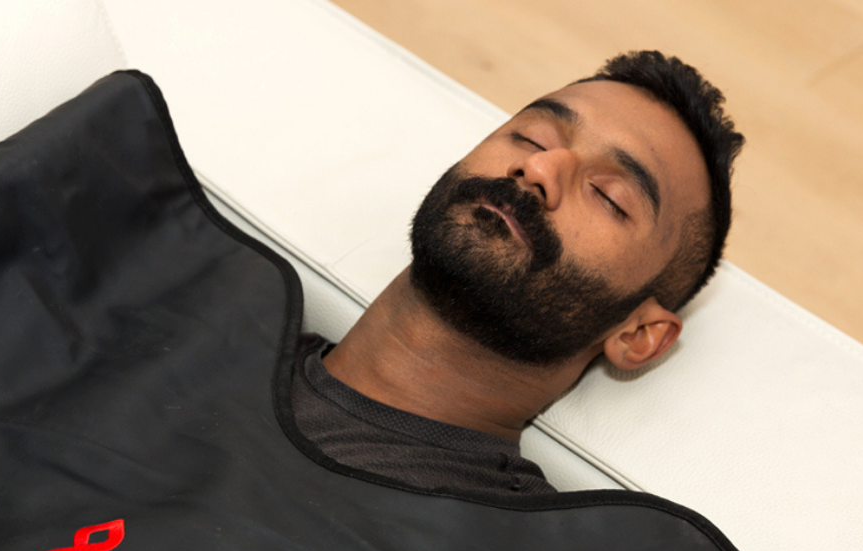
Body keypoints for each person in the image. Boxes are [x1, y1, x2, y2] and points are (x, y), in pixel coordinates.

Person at [291, 50, 743, 497]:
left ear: (638, 333)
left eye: (609, 196)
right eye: (533, 139)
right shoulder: (227, 294)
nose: (539, 167)